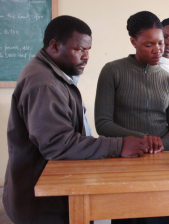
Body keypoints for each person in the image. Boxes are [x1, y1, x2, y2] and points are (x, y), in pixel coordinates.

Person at [3, 16, 148, 224]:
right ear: (54, 46)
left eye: (88, 50)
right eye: (80, 50)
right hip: (41, 203)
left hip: (53, 193)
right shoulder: (44, 84)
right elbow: (58, 144)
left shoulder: (55, 75)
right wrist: (118, 145)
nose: (86, 56)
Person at [94, 11, 169, 224]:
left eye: (161, 43)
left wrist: (159, 145)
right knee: (129, 217)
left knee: (164, 217)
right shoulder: (112, 71)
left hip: (162, 163)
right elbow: (103, 123)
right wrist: (143, 139)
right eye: (148, 44)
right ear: (133, 42)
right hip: (124, 161)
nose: (158, 50)